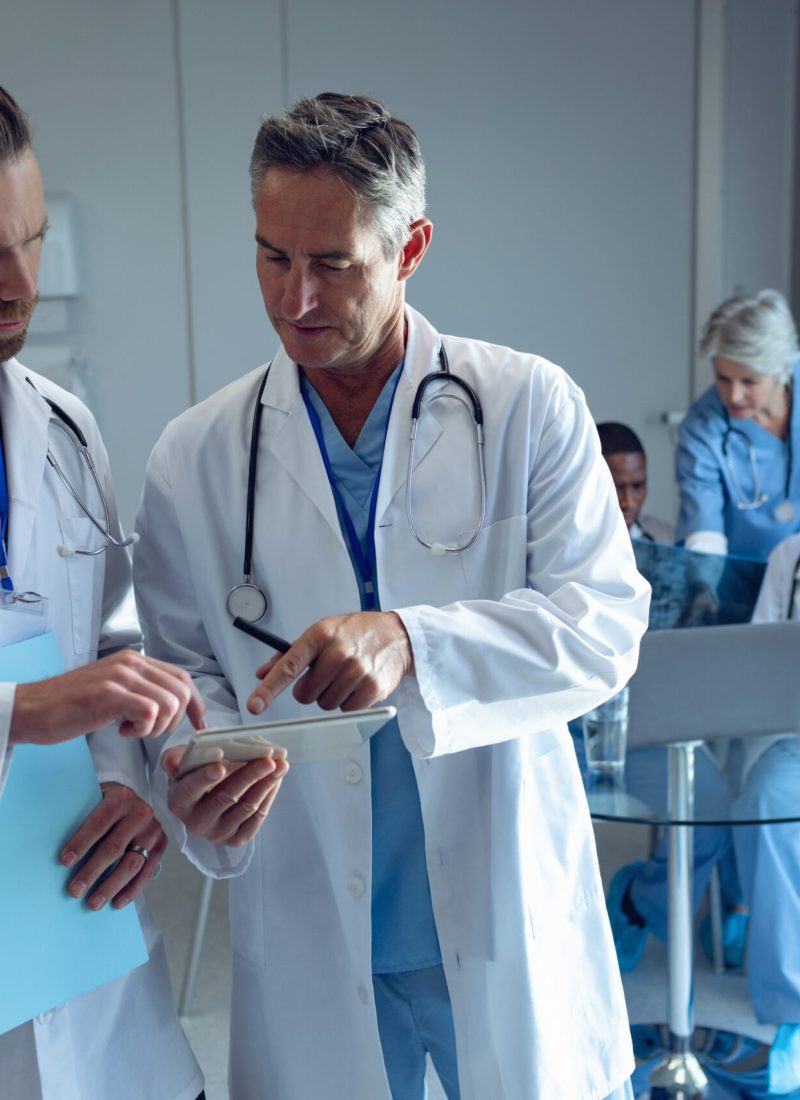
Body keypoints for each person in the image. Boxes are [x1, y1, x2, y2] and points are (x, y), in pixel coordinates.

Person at [133, 92, 650, 1100]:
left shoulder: (526, 406)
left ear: (409, 247)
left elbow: (602, 624)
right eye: (272, 256)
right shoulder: (194, 455)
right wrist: (191, 777)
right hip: (314, 915)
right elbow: (182, 671)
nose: (296, 299)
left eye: (333, 263)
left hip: (499, 912)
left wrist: (413, 638)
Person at [0, 86, 206, 1100]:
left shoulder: (67, 427)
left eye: (31, 239)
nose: (17, 282)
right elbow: (50, 696)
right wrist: (21, 712)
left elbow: (113, 638)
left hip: (82, 951)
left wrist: (127, 779)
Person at [676, 289, 800, 560]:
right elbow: (703, 521)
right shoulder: (702, 428)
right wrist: (703, 584)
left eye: (749, 381)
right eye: (723, 378)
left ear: (782, 370)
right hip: (734, 581)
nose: (733, 395)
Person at [596, 421, 674, 543]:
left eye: (637, 486)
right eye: (617, 488)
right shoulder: (564, 544)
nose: (629, 503)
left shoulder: (664, 539)